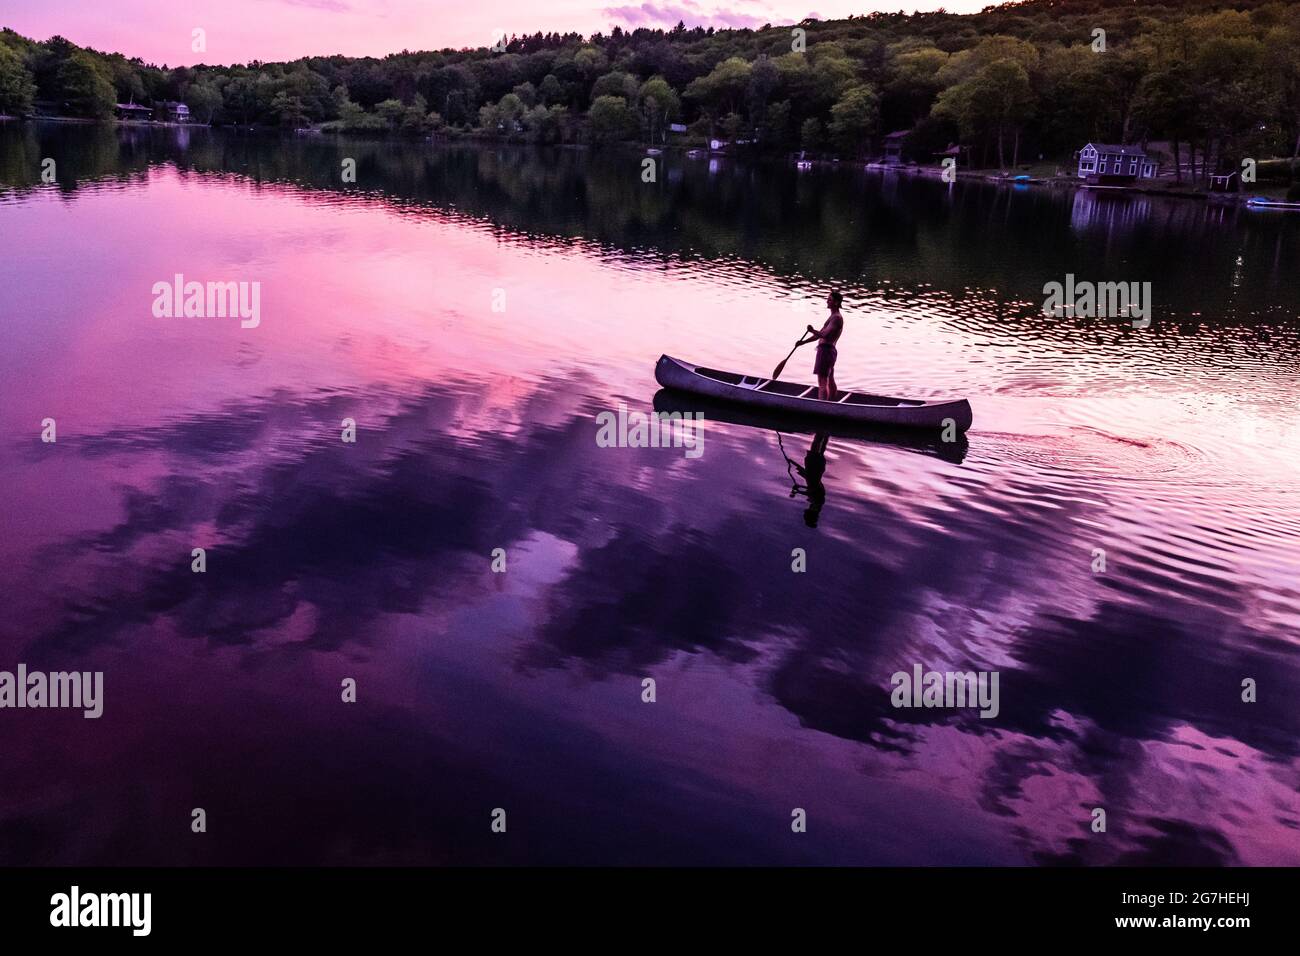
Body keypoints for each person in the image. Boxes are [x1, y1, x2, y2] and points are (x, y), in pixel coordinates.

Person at [806, 291, 844, 401]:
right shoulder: (833, 317)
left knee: (822, 382)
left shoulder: (836, 318)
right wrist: (802, 343)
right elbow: (818, 335)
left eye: (830, 299)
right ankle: (833, 403)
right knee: (830, 378)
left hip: (826, 352)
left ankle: (823, 406)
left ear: (836, 303)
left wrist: (812, 330)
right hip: (829, 352)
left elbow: (824, 335)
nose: (827, 301)